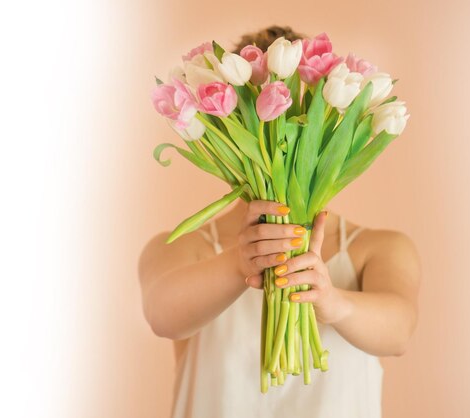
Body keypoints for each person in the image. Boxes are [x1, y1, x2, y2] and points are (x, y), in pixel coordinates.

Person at [139, 25, 421, 418]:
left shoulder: (377, 248)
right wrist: (239, 263)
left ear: (321, 123)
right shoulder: (185, 247)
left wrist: (331, 300)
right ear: (224, 125)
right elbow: (162, 315)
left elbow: (400, 331)